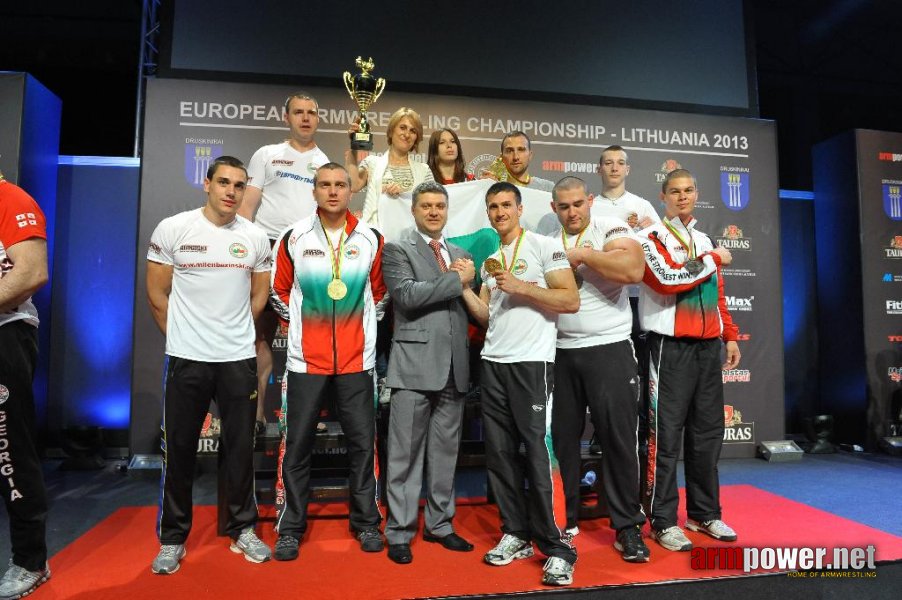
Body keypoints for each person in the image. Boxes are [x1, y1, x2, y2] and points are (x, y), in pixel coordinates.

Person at [146, 156, 273, 574]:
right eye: (223, 182)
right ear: (207, 184)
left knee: (239, 450)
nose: (231, 192)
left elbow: (258, 297)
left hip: (237, 359)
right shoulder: (174, 228)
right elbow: (157, 295)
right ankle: (172, 539)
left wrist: (232, 333)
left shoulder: (255, 237)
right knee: (179, 451)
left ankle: (242, 530)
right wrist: (185, 338)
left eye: (239, 185)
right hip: (186, 359)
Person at [459, 181, 579, 586]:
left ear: (520, 207)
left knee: (539, 456)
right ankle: (516, 532)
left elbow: (570, 299)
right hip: (493, 363)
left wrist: (522, 287)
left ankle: (559, 547)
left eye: (506, 205)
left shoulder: (545, 246)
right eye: (493, 207)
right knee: (500, 454)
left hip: (532, 365)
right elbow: (485, 316)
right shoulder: (492, 258)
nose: (499, 212)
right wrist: (464, 289)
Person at [270, 162, 387, 561]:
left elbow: (381, 296)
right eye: (325, 185)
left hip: (358, 362)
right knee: (296, 446)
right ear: (314, 191)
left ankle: (366, 522)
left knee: (362, 446)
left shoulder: (372, 238)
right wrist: (310, 328)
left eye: (340, 185)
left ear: (351, 190)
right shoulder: (293, 237)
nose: (333, 191)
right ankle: (290, 528)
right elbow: (278, 294)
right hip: (305, 362)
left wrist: (360, 331)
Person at [545, 177, 650, 562]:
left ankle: (627, 527)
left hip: (609, 347)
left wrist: (586, 256)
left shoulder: (608, 226)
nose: (572, 212)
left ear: (590, 201)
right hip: (558, 352)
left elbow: (633, 269)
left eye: (578, 204)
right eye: (564, 206)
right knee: (562, 443)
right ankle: (564, 522)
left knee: (619, 441)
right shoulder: (546, 238)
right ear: (554, 208)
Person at [638, 168, 741, 552]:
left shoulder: (703, 238)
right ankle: (662, 519)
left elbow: (719, 293)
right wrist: (713, 258)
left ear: (696, 194)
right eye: (675, 191)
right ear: (662, 196)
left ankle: (703, 512)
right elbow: (668, 279)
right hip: (669, 347)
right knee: (663, 437)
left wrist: (728, 334)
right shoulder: (649, 236)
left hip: (707, 347)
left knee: (707, 434)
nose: (682, 197)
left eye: (688, 190)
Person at [381, 181, 476, 565]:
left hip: (455, 368)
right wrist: (458, 280)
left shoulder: (462, 254)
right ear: (414, 211)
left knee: (444, 453)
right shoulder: (397, 250)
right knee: (403, 455)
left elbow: (470, 307)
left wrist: (466, 279)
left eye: (440, 205)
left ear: (447, 210)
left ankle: (441, 525)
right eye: (426, 206)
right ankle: (400, 532)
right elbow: (407, 295)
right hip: (413, 367)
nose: (434, 211)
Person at [239, 91, 329, 434]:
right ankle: (256, 415)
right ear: (286, 117)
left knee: (307, 340)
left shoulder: (324, 163)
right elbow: (247, 207)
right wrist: (248, 252)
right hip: (266, 250)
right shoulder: (267, 155)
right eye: (298, 112)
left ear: (318, 119)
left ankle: (302, 416)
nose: (305, 118)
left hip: (305, 256)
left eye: (311, 112)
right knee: (257, 336)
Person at [0, 170, 50, 599]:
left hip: (5, 332)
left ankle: (29, 559)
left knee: (8, 449)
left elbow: (31, 273)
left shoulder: (11, 199)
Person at [345, 107, 435, 242]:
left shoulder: (424, 170)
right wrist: (354, 144)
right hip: (376, 239)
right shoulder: (372, 163)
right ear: (392, 131)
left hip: (411, 244)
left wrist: (406, 194)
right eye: (402, 128)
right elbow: (354, 185)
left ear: (416, 138)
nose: (407, 134)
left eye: (413, 131)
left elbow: (431, 205)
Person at [482, 131, 554, 192]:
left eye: (521, 149)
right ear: (501, 157)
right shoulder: (492, 188)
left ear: (530, 155)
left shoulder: (547, 189)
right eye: (509, 151)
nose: (515, 157)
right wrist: (482, 188)